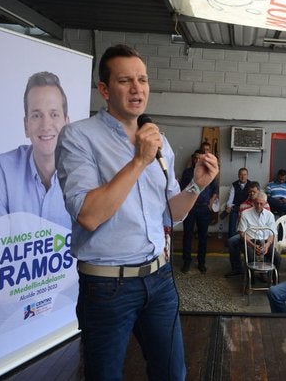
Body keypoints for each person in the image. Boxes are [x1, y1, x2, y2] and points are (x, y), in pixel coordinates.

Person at [55, 44, 219, 380]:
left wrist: (197, 186)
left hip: (159, 279)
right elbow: (88, 215)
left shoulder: (159, 142)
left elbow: (170, 215)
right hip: (107, 287)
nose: (137, 89)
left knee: (172, 373)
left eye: (142, 80)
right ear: (104, 90)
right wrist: (139, 160)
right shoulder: (79, 137)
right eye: (125, 80)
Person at [0, 71, 71, 228]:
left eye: (54, 114)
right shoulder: (4, 168)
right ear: (26, 126)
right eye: (36, 115)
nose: (46, 126)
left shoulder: (85, 172)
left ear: (67, 124)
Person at [180, 150, 218, 274]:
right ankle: (186, 261)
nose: (197, 160)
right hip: (189, 208)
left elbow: (215, 189)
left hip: (203, 208)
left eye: (199, 159)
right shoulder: (187, 173)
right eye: (195, 158)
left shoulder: (209, 172)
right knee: (188, 235)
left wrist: (210, 203)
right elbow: (182, 189)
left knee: (203, 237)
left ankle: (201, 262)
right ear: (193, 159)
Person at [225, 192, 276, 278]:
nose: (259, 206)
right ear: (253, 202)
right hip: (251, 239)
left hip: (264, 240)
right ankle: (249, 279)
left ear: (265, 203)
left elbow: (273, 233)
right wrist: (253, 245)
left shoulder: (269, 215)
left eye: (261, 204)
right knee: (250, 256)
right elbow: (242, 233)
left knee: (277, 257)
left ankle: (271, 278)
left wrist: (267, 245)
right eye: (257, 203)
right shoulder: (245, 213)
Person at [225, 168, 250, 238]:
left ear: (247, 175)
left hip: (247, 207)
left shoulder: (251, 184)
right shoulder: (234, 185)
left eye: (245, 175)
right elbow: (231, 197)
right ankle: (231, 238)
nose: (243, 176)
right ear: (238, 175)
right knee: (232, 214)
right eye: (241, 175)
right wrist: (228, 206)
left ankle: (247, 238)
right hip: (236, 207)